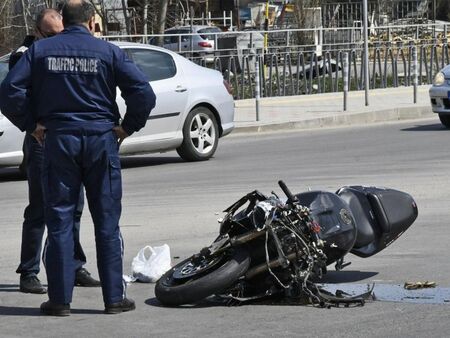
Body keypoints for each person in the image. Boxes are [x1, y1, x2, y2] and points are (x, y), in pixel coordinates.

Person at [0, 0, 156, 316]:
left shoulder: (40, 52)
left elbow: (8, 92)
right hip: (101, 141)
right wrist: (127, 127)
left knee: (58, 221)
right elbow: (144, 93)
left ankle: (60, 300)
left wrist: (32, 125)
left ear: (64, 20)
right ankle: (114, 299)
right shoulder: (109, 52)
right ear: (90, 22)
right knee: (107, 223)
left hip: (59, 141)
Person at [8, 8, 100, 295]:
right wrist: (31, 125)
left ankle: (74, 266)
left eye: (62, 33)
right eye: (51, 35)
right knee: (40, 208)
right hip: (41, 141)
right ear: (38, 32)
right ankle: (29, 271)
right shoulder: (26, 54)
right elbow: (11, 94)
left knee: (74, 207)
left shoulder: (62, 50)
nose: (59, 39)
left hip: (68, 140)